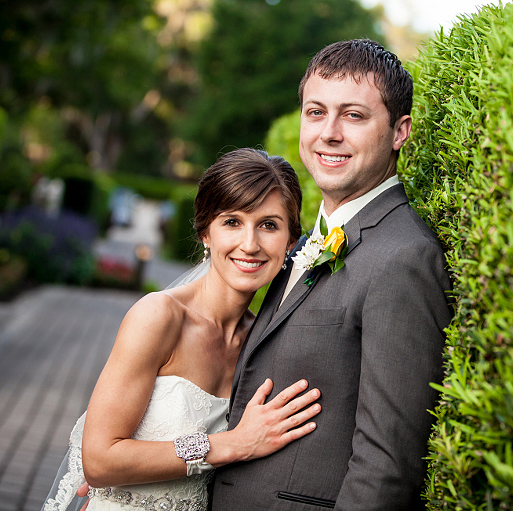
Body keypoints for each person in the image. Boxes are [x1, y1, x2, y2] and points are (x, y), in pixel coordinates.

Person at [212, 40, 453, 510]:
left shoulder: (404, 258)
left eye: (354, 116)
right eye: (316, 112)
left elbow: (386, 466)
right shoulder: (302, 245)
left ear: (400, 131)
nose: (329, 133)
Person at [43, 148, 322, 511]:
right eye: (232, 222)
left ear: (290, 242)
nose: (250, 244)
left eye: (269, 225)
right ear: (206, 232)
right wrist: (231, 444)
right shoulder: (159, 317)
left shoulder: (262, 341)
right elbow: (99, 460)